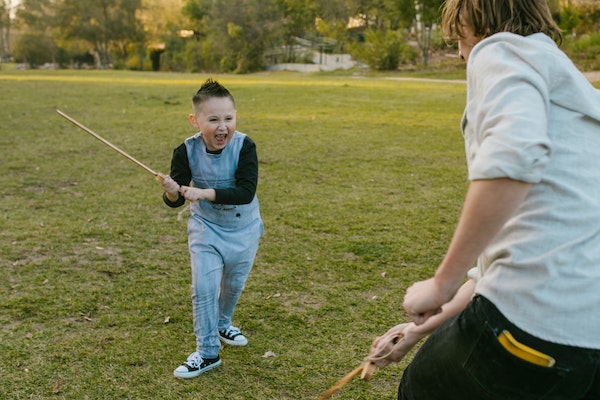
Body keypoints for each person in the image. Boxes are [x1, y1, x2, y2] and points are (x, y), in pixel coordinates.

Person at [373, 0, 600, 399]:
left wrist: (441, 284)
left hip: (537, 323)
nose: (460, 53)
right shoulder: (573, 88)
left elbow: (513, 157)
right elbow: (492, 271)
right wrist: (417, 330)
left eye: (455, 39)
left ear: (471, 23)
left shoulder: (500, 49)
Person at [157, 78, 263, 379]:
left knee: (233, 285)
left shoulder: (245, 146)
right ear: (195, 120)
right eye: (213, 119)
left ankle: (222, 323)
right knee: (204, 288)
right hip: (206, 228)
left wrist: (202, 192)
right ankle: (207, 352)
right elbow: (174, 201)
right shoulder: (185, 151)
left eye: (228, 118)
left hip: (243, 228)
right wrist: (172, 190)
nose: (222, 127)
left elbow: (245, 191)